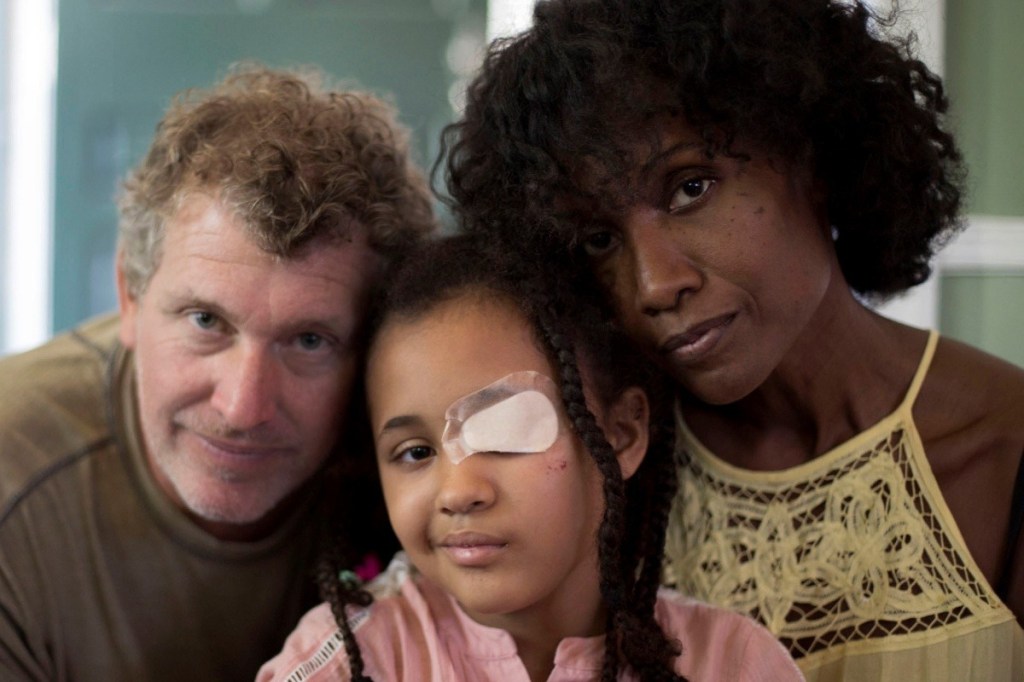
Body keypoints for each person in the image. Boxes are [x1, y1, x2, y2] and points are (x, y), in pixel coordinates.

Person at [438, 0, 1024, 680]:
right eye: (599, 240)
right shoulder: (606, 480)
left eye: (691, 187)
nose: (655, 284)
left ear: (814, 153)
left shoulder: (1005, 449)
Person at [0, 63, 435, 681]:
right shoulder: (12, 478)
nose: (242, 407)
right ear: (129, 295)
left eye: (308, 341)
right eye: (206, 321)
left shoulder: (423, 457)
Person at [256, 235, 804, 681]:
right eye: (416, 452)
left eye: (504, 432)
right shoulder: (345, 660)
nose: (458, 490)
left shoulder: (731, 664)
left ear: (620, 434)